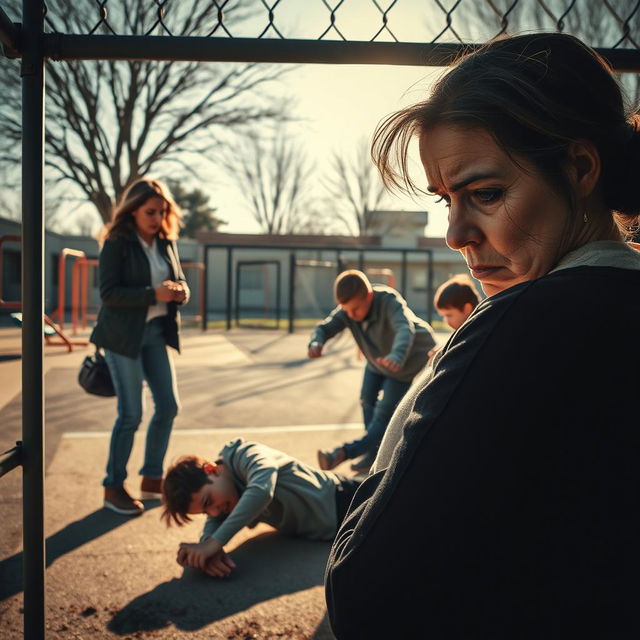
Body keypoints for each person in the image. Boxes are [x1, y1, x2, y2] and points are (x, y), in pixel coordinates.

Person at [325, 33, 640, 638]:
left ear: (579, 169)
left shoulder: (521, 324)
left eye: (486, 194)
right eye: (447, 199)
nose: (455, 233)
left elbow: (364, 593)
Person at [91, 178, 190, 516]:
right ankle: (113, 486)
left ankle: (151, 479)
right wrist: (153, 294)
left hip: (156, 335)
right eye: (150, 211)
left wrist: (179, 291)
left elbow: (181, 281)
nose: (157, 218)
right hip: (122, 337)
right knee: (131, 414)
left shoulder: (166, 242)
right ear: (132, 210)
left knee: (168, 406)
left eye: (162, 212)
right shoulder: (117, 242)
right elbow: (107, 294)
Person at [161, 437, 361, 577]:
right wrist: (207, 550)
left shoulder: (246, 454)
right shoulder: (224, 498)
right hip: (335, 533)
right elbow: (214, 521)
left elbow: (262, 491)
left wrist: (212, 544)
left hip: (348, 498)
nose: (212, 511)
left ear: (212, 470)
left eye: (207, 502)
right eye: (205, 511)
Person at [308, 269, 436, 474]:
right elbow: (326, 327)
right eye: (346, 310)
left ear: (368, 296)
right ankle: (373, 451)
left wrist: (396, 355)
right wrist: (316, 342)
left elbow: (404, 328)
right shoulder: (349, 311)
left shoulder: (388, 301)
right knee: (366, 399)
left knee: (384, 414)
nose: (351, 316)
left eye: (356, 309)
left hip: (403, 361)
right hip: (377, 359)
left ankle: (343, 453)